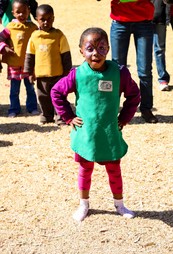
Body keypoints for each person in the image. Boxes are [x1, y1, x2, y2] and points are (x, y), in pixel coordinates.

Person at [51, 27, 141, 222]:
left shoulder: (119, 73)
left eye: (101, 48)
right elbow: (56, 92)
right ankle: (84, 204)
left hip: (109, 134)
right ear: (81, 51)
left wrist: (124, 117)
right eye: (90, 48)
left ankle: (119, 204)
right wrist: (68, 117)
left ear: (108, 49)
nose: (95, 54)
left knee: (114, 170)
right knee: (85, 170)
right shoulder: (77, 74)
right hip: (86, 135)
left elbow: (134, 95)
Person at [110, 0, 158, 123]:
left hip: (144, 22)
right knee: (117, 70)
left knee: (145, 70)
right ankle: (113, 110)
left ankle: (146, 109)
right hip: (119, 21)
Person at [24, 4, 72, 125]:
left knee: (59, 96)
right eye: (42, 19)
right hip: (41, 75)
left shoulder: (58, 35)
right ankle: (46, 115)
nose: (46, 22)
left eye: (49, 19)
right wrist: (29, 72)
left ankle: (60, 116)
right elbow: (30, 55)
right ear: (36, 19)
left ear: (53, 18)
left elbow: (66, 54)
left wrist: (67, 73)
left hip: (58, 74)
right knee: (43, 97)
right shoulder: (34, 36)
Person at [0, 0, 38, 117]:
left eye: (24, 12)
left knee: (30, 88)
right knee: (14, 90)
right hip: (14, 64)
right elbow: (0, 38)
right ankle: (14, 109)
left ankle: (32, 107)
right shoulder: (10, 27)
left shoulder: (33, 28)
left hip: (28, 64)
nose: (21, 15)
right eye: (18, 12)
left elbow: (39, 40)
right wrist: (4, 47)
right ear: (13, 13)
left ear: (29, 11)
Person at [152, 0, 170, 91]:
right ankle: (162, 78)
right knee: (157, 48)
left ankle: (163, 78)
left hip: (161, 16)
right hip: (151, 16)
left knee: (159, 48)